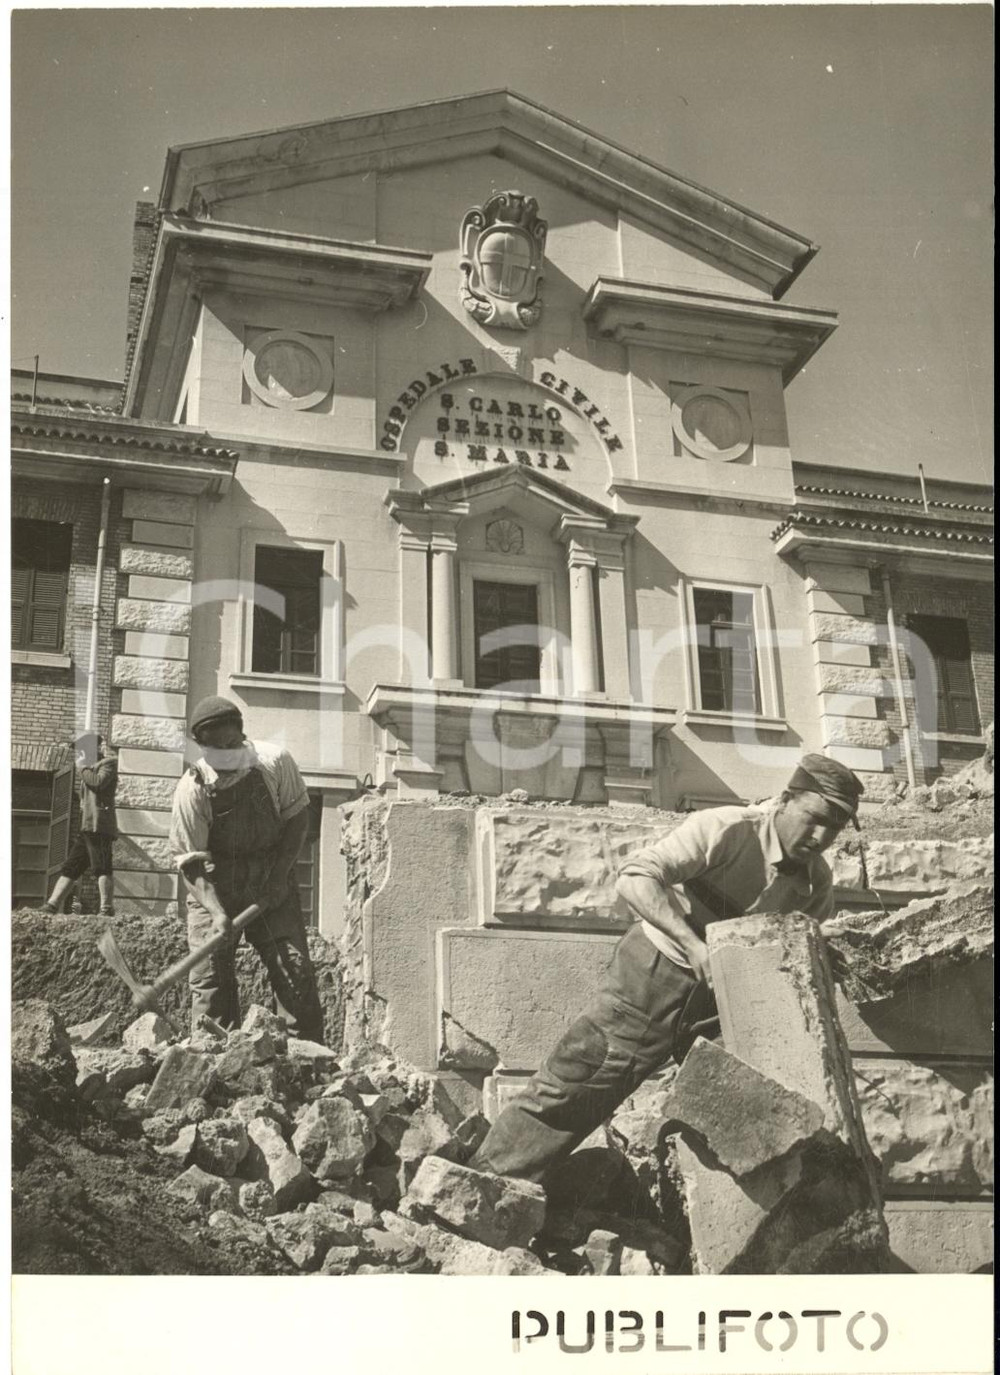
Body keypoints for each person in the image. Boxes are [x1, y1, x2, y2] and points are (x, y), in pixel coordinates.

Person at [470, 753, 864, 1184]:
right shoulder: (728, 828)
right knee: (577, 1084)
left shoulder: (816, 884)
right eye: (815, 818)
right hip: (652, 977)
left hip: (722, 1002)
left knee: (738, 1107)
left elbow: (794, 956)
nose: (822, 836)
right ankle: (481, 1189)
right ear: (787, 800)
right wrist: (696, 948)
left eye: (836, 828)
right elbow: (635, 879)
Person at [169, 695, 324, 1043]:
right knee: (209, 979)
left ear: (243, 735)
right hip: (214, 883)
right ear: (202, 748)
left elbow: (298, 821)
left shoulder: (274, 762)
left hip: (271, 874)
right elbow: (191, 863)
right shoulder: (192, 790)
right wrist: (216, 912)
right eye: (217, 749)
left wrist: (279, 877)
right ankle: (213, 1065)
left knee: (293, 970)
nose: (227, 754)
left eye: (232, 744)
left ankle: (309, 1063)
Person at [44, 732, 118, 916]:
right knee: (71, 867)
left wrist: (83, 768)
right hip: (87, 827)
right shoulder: (90, 767)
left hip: (99, 826)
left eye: (82, 749)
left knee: (101, 866)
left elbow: (98, 783)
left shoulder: (108, 764)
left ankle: (106, 909)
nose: (80, 753)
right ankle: (51, 905)